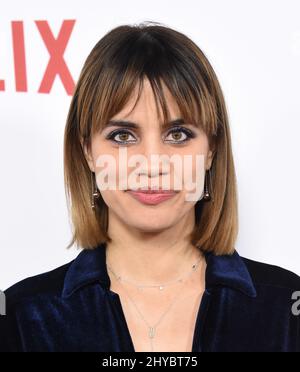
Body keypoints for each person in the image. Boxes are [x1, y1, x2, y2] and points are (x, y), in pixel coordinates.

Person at [1, 21, 299, 352]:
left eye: (178, 135)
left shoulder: (287, 309)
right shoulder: (20, 317)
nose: (152, 163)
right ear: (87, 151)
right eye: (122, 136)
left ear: (211, 149)